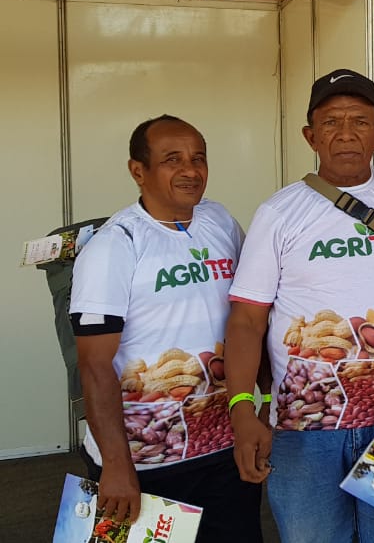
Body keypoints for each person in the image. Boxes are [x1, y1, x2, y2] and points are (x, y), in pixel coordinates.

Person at [223, 69, 374, 542]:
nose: (346, 133)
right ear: (310, 135)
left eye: (359, 120)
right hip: (304, 423)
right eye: (331, 122)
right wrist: (242, 407)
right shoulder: (279, 213)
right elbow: (247, 321)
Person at [70, 115, 262, 542]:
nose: (190, 171)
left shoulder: (219, 221)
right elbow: (95, 364)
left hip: (222, 447)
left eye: (198, 158)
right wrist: (117, 466)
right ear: (138, 171)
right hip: (147, 457)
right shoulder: (115, 245)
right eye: (172, 159)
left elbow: (252, 316)